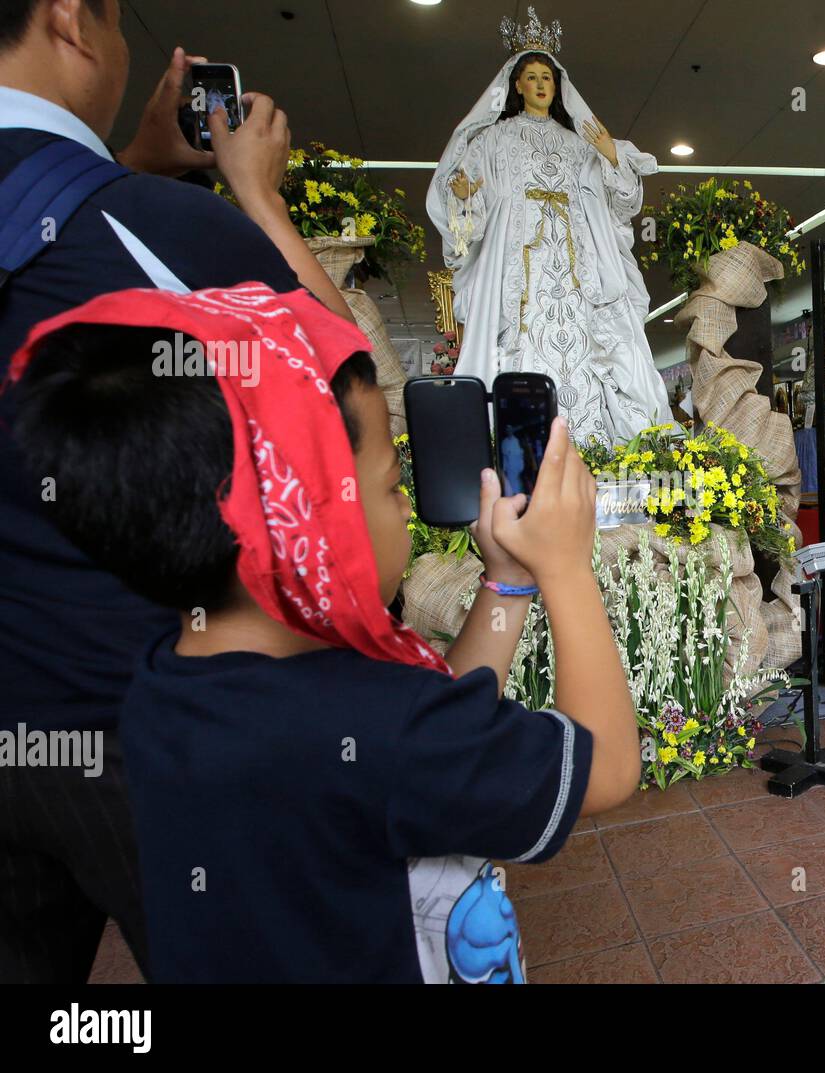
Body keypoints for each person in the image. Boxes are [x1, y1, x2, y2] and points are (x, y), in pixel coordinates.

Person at [8, 283, 641, 982]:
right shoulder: (371, 721)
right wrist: (567, 568)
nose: (404, 512)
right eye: (391, 486)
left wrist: (508, 582)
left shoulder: (167, 684)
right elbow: (607, 765)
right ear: (303, 519)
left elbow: (428, 728)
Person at [0, 0, 350, 983]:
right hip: (142, 736)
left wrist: (128, 165)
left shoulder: (111, 210)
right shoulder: (168, 233)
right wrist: (253, 193)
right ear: (72, 19)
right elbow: (345, 410)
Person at [426, 14, 671, 446]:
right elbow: (472, 216)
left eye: (547, 78)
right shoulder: (494, 141)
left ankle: (593, 450)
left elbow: (621, 208)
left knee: (589, 351)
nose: (541, 85)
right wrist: (465, 197)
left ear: (558, 86)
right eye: (531, 77)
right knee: (524, 349)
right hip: (523, 273)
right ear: (515, 85)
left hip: (578, 271)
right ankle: (528, 452)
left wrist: (612, 158)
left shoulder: (579, 144)